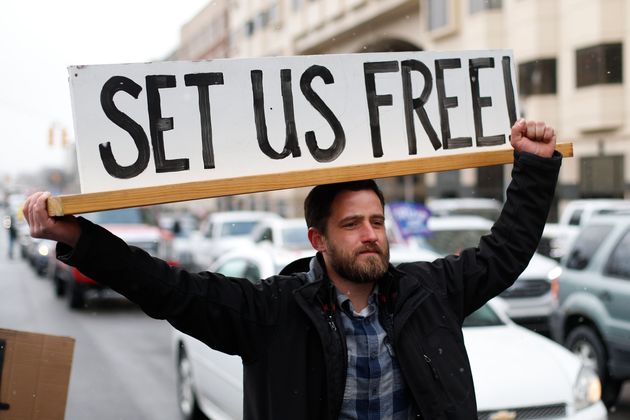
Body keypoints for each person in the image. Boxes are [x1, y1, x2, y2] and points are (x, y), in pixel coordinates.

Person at [23, 119, 561, 419]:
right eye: (352, 225)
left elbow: (505, 251)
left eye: (376, 220)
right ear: (317, 240)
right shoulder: (273, 311)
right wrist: (77, 237)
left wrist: (534, 166)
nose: (371, 234)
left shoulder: (430, 291)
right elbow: (169, 289)